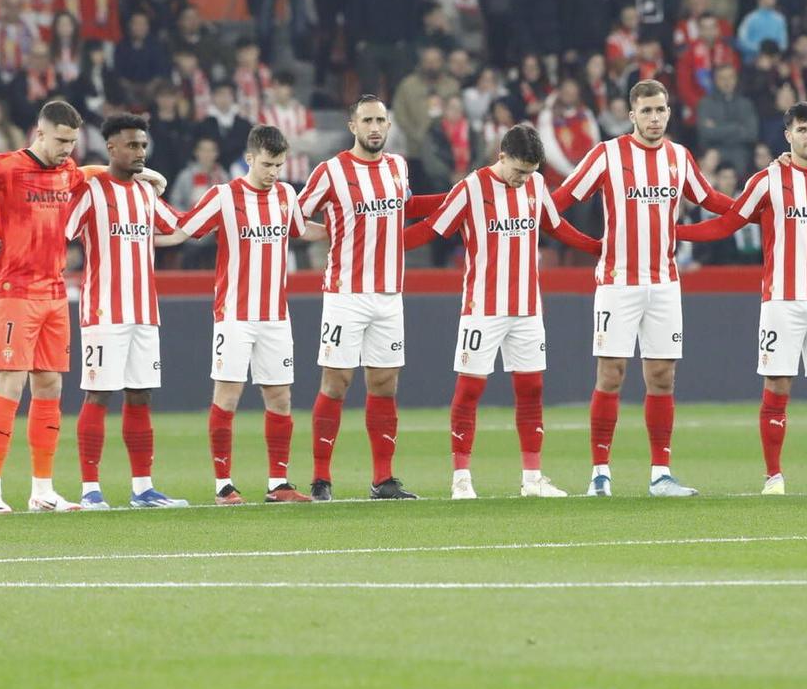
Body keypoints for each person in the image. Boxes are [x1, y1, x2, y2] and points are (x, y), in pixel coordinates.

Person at [673, 103, 807, 494]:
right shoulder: (767, 179)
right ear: (788, 135)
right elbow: (730, 222)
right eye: (803, 129)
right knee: (778, 384)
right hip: (781, 301)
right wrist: (677, 234)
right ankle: (773, 477)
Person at [544, 80, 736, 496]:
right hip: (617, 283)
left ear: (669, 113)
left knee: (663, 377)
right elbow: (559, 200)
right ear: (632, 114)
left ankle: (660, 474)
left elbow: (713, 201)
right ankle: (600, 473)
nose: (654, 118)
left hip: (665, 283)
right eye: (646, 111)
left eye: (660, 110)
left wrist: (759, 200)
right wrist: (526, 203)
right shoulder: (607, 155)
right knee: (611, 375)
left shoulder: (679, 157)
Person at [405, 122, 599, 499]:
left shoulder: (536, 186)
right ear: (502, 156)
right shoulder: (471, 189)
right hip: (483, 308)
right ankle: (461, 478)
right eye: (518, 171)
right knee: (470, 390)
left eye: (530, 173)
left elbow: (556, 226)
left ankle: (532, 479)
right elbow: (430, 228)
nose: (523, 180)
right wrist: (382, 246)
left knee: (531, 389)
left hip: (527, 308)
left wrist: (596, 246)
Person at [159, 124, 331, 503]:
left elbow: (304, 230)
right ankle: (223, 485)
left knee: (280, 397)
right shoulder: (224, 196)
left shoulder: (286, 195)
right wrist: (135, 235)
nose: (274, 172)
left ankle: (278, 484)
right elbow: (182, 229)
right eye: (268, 164)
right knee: (228, 395)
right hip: (234, 314)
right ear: (250, 158)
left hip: (275, 315)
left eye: (279, 165)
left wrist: (347, 227)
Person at [299, 96, 451, 500]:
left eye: (381, 120)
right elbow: (296, 216)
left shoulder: (398, 167)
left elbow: (405, 206)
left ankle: (382, 479)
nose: (375, 127)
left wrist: (452, 197)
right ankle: (320, 478)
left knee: (384, 383)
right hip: (345, 293)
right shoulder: (330, 171)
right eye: (367, 120)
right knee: (337, 382)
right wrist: (327, 231)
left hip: (388, 294)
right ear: (352, 126)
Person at [0, 100, 94, 513]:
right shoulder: (5, 167)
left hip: (54, 292)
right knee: (10, 386)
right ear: (40, 133)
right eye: (59, 140)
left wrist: (139, 172)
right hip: (13, 291)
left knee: (50, 386)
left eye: (72, 142)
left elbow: (87, 174)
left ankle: (43, 490)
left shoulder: (68, 171)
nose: (66, 150)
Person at [64, 112, 189, 510]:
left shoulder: (145, 193)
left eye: (143, 145)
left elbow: (176, 228)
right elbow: (61, 233)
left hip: (144, 312)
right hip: (104, 311)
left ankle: (142, 488)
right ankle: (89, 489)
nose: (140, 152)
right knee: (98, 395)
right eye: (132, 145)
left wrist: (221, 209)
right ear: (111, 148)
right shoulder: (90, 191)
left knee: (140, 396)